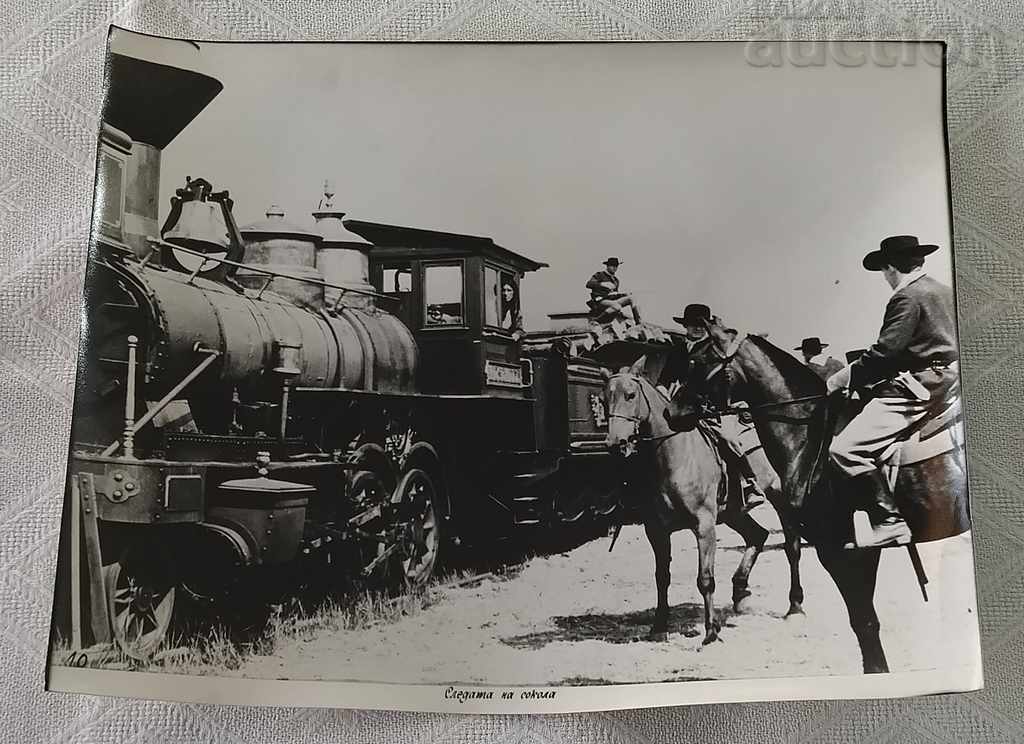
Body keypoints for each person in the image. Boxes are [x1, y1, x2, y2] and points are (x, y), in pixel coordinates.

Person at [826, 235, 959, 548]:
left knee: (844, 449)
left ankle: (890, 521)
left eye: (884, 272)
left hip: (924, 385)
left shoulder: (907, 297)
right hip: (952, 379)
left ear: (890, 268)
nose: (885, 279)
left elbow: (885, 353)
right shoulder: (944, 291)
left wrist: (841, 379)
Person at [659, 303, 765, 511]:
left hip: (711, 409)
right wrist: (664, 395)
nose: (697, 329)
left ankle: (749, 484)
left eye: (701, 325)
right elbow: (664, 380)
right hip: (681, 409)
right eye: (692, 325)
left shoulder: (714, 348)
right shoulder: (677, 350)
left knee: (729, 438)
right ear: (686, 326)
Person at [586, 257, 641, 324]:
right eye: (612, 265)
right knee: (616, 306)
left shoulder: (616, 280)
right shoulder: (599, 275)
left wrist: (624, 295)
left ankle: (638, 322)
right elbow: (589, 284)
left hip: (611, 301)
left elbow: (615, 295)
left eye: (616, 266)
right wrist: (602, 284)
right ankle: (596, 320)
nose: (615, 268)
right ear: (607, 266)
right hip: (600, 301)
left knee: (632, 298)